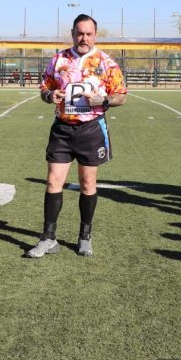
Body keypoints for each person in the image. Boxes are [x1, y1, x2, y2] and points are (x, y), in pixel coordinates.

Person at [28, 14, 127, 257]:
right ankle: (48, 238)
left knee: (87, 183)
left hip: (90, 129)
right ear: (73, 34)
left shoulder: (106, 63)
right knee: (53, 181)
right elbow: (44, 88)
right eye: (80, 33)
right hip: (62, 128)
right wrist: (50, 96)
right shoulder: (59, 59)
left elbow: (121, 95)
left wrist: (102, 99)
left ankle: (85, 236)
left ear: (95, 35)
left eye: (88, 34)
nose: (84, 38)